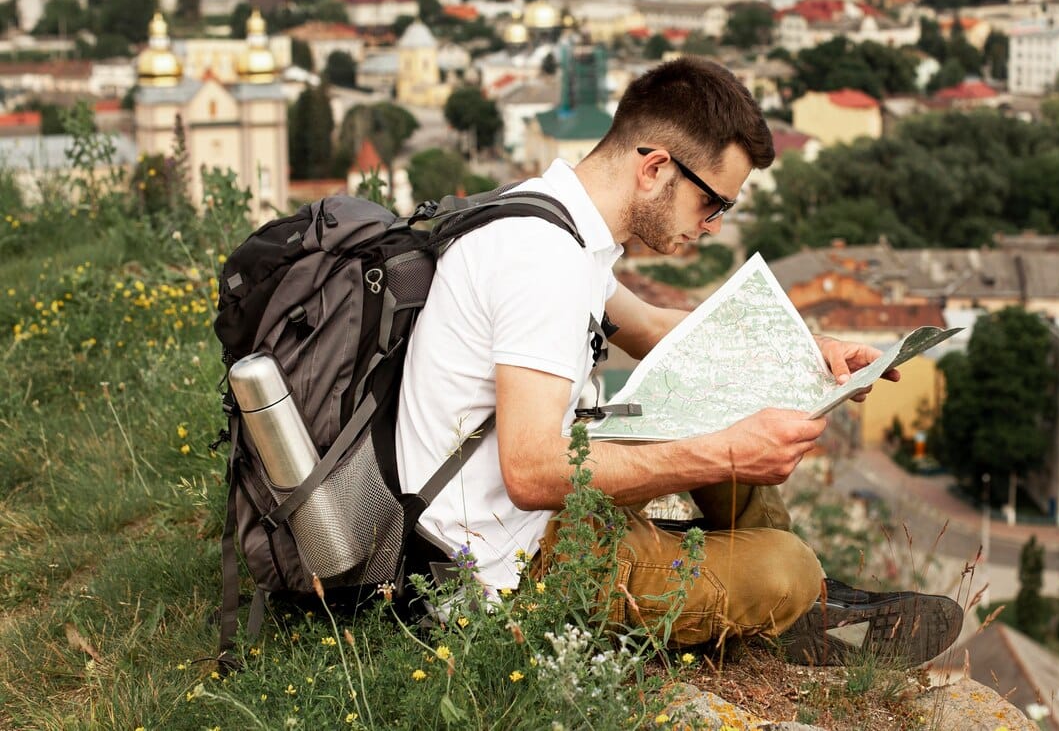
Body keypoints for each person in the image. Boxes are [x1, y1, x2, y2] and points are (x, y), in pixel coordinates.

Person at [395, 56, 960, 665]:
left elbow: (657, 330)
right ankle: (794, 597)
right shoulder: (543, 261)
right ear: (656, 168)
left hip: (511, 515)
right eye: (713, 203)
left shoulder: (554, 220)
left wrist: (806, 352)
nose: (714, 226)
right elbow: (530, 472)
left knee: (711, 400)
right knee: (787, 570)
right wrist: (729, 451)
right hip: (499, 566)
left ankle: (788, 596)